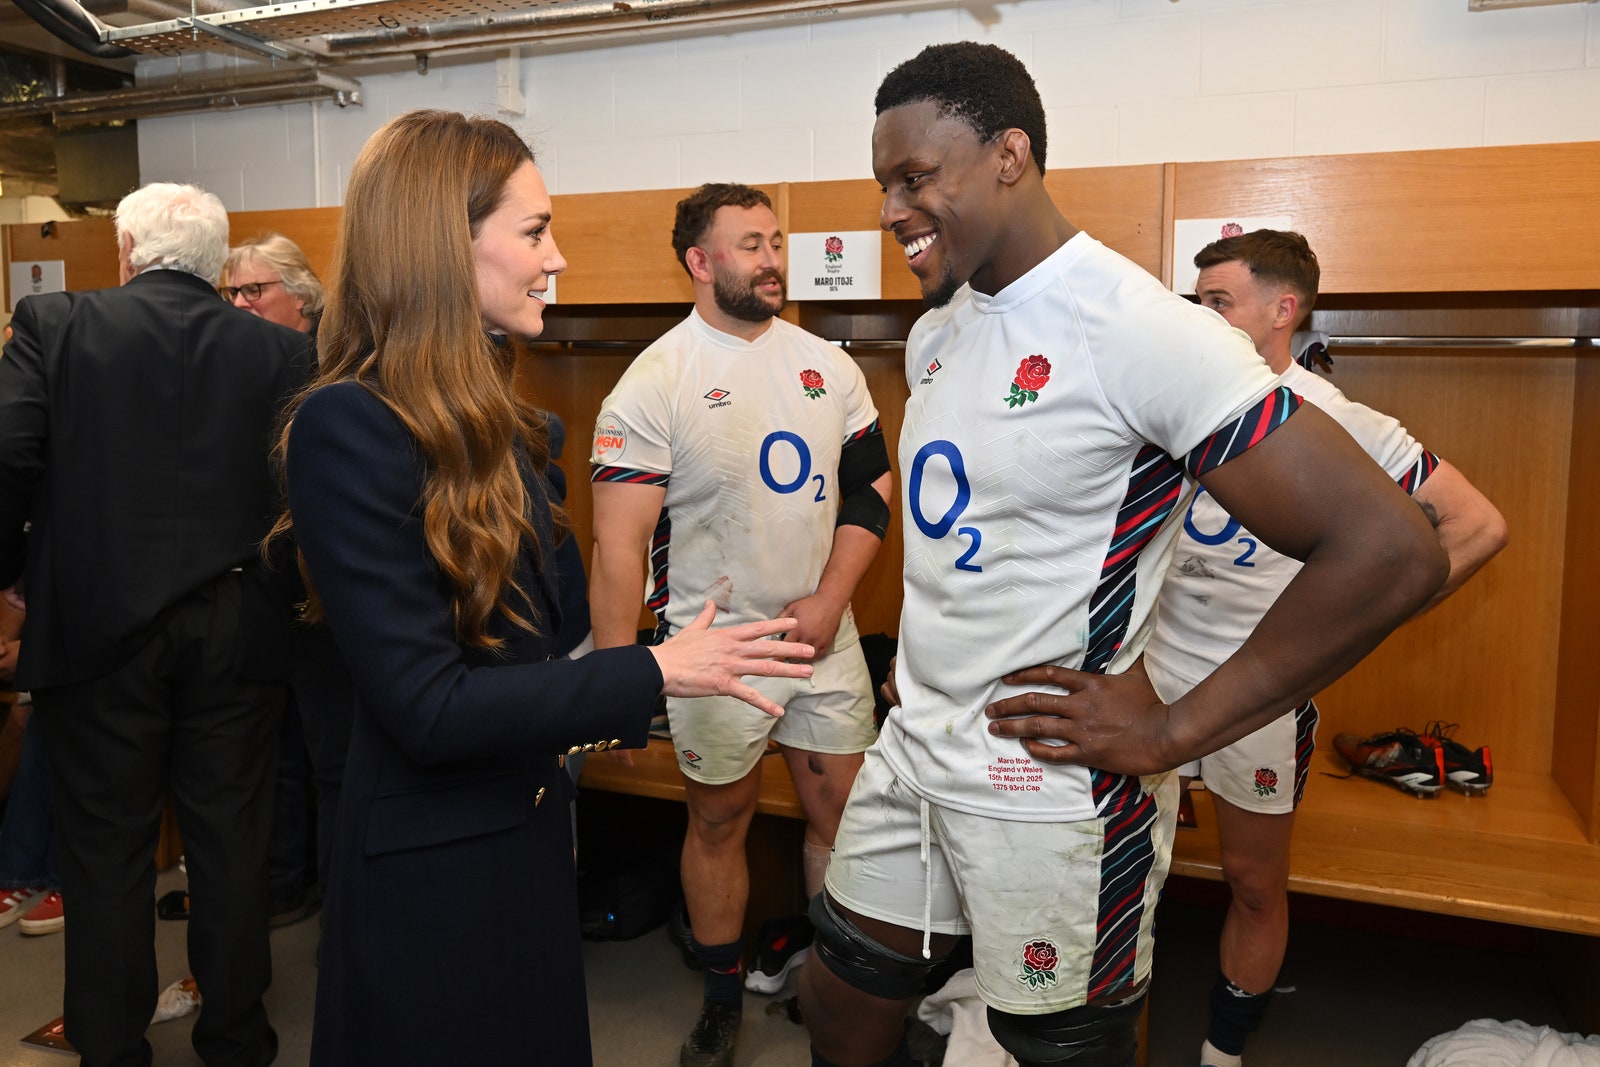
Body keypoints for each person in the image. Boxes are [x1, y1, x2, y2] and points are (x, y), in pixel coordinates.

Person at [796, 43, 1448, 1067]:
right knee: (837, 993)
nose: (891, 209)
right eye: (883, 183)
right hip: (916, 747)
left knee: (1057, 1048)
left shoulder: (1138, 327)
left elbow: (1388, 550)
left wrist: (1173, 731)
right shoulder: (938, 333)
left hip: (1048, 783)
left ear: (1009, 154)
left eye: (914, 177)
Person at [278, 110, 817, 1066]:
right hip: (431, 874)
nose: (557, 259)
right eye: (534, 232)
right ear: (444, 243)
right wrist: (656, 671)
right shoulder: (347, 427)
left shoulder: (498, 428)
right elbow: (429, 708)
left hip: (522, 836)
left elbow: (548, 625)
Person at [1144, 230, 1507, 1067]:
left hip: (1261, 689)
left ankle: (1222, 1051)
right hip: (1152, 678)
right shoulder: (1169, 401)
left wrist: (1360, 618)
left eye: (1219, 303)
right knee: (1129, 869)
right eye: (1195, 303)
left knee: (1253, 881)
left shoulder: (1339, 420)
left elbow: (1478, 524)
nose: (1201, 320)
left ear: (1284, 309)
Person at [0, 182, 314, 1067]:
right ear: (219, 267)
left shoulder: (54, 325)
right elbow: (310, 491)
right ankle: (236, 1038)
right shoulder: (282, 354)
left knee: (104, 855)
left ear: (127, 253)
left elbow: (6, 450)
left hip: (96, 633)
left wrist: (17, 575)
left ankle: (110, 1045)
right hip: (241, 629)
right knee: (232, 849)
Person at [588, 181, 892, 1067]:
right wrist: (616, 683)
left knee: (839, 808)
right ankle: (722, 998)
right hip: (713, 652)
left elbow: (871, 489)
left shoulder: (829, 365)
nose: (771, 260)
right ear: (699, 261)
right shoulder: (655, 379)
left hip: (819, 637)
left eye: (775, 241)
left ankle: (835, 992)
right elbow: (618, 548)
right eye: (749, 244)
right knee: (718, 821)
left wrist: (832, 600)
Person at [222, 232, 340, 928]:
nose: (239, 304)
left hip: (320, 582)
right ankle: (284, 883)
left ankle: (332, 897)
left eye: (253, 290)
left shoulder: (329, 364)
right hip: (267, 583)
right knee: (281, 746)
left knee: (328, 748)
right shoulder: (244, 361)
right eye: (230, 292)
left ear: (301, 292)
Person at [221, 232, 323, 333]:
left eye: (253, 290)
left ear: (300, 295)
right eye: (233, 293)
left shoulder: (334, 344)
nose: (238, 303)